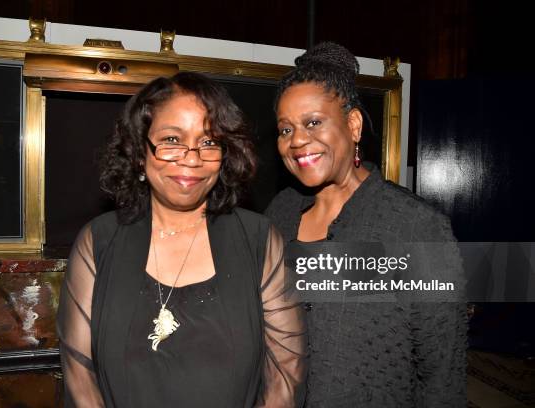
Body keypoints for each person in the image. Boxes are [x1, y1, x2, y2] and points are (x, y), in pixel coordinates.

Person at [57, 72, 306, 407]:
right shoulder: (98, 242)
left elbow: (286, 373)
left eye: (208, 142)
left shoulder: (259, 240)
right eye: (172, 140)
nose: (192, 158)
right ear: (139, 151)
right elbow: (79, 374)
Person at [265, 42, 467, 407]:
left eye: (313, 122)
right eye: (284, 129)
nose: (296, 141)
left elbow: (442, 373)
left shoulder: (416, 227)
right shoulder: (279, 213)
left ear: (353, 125)